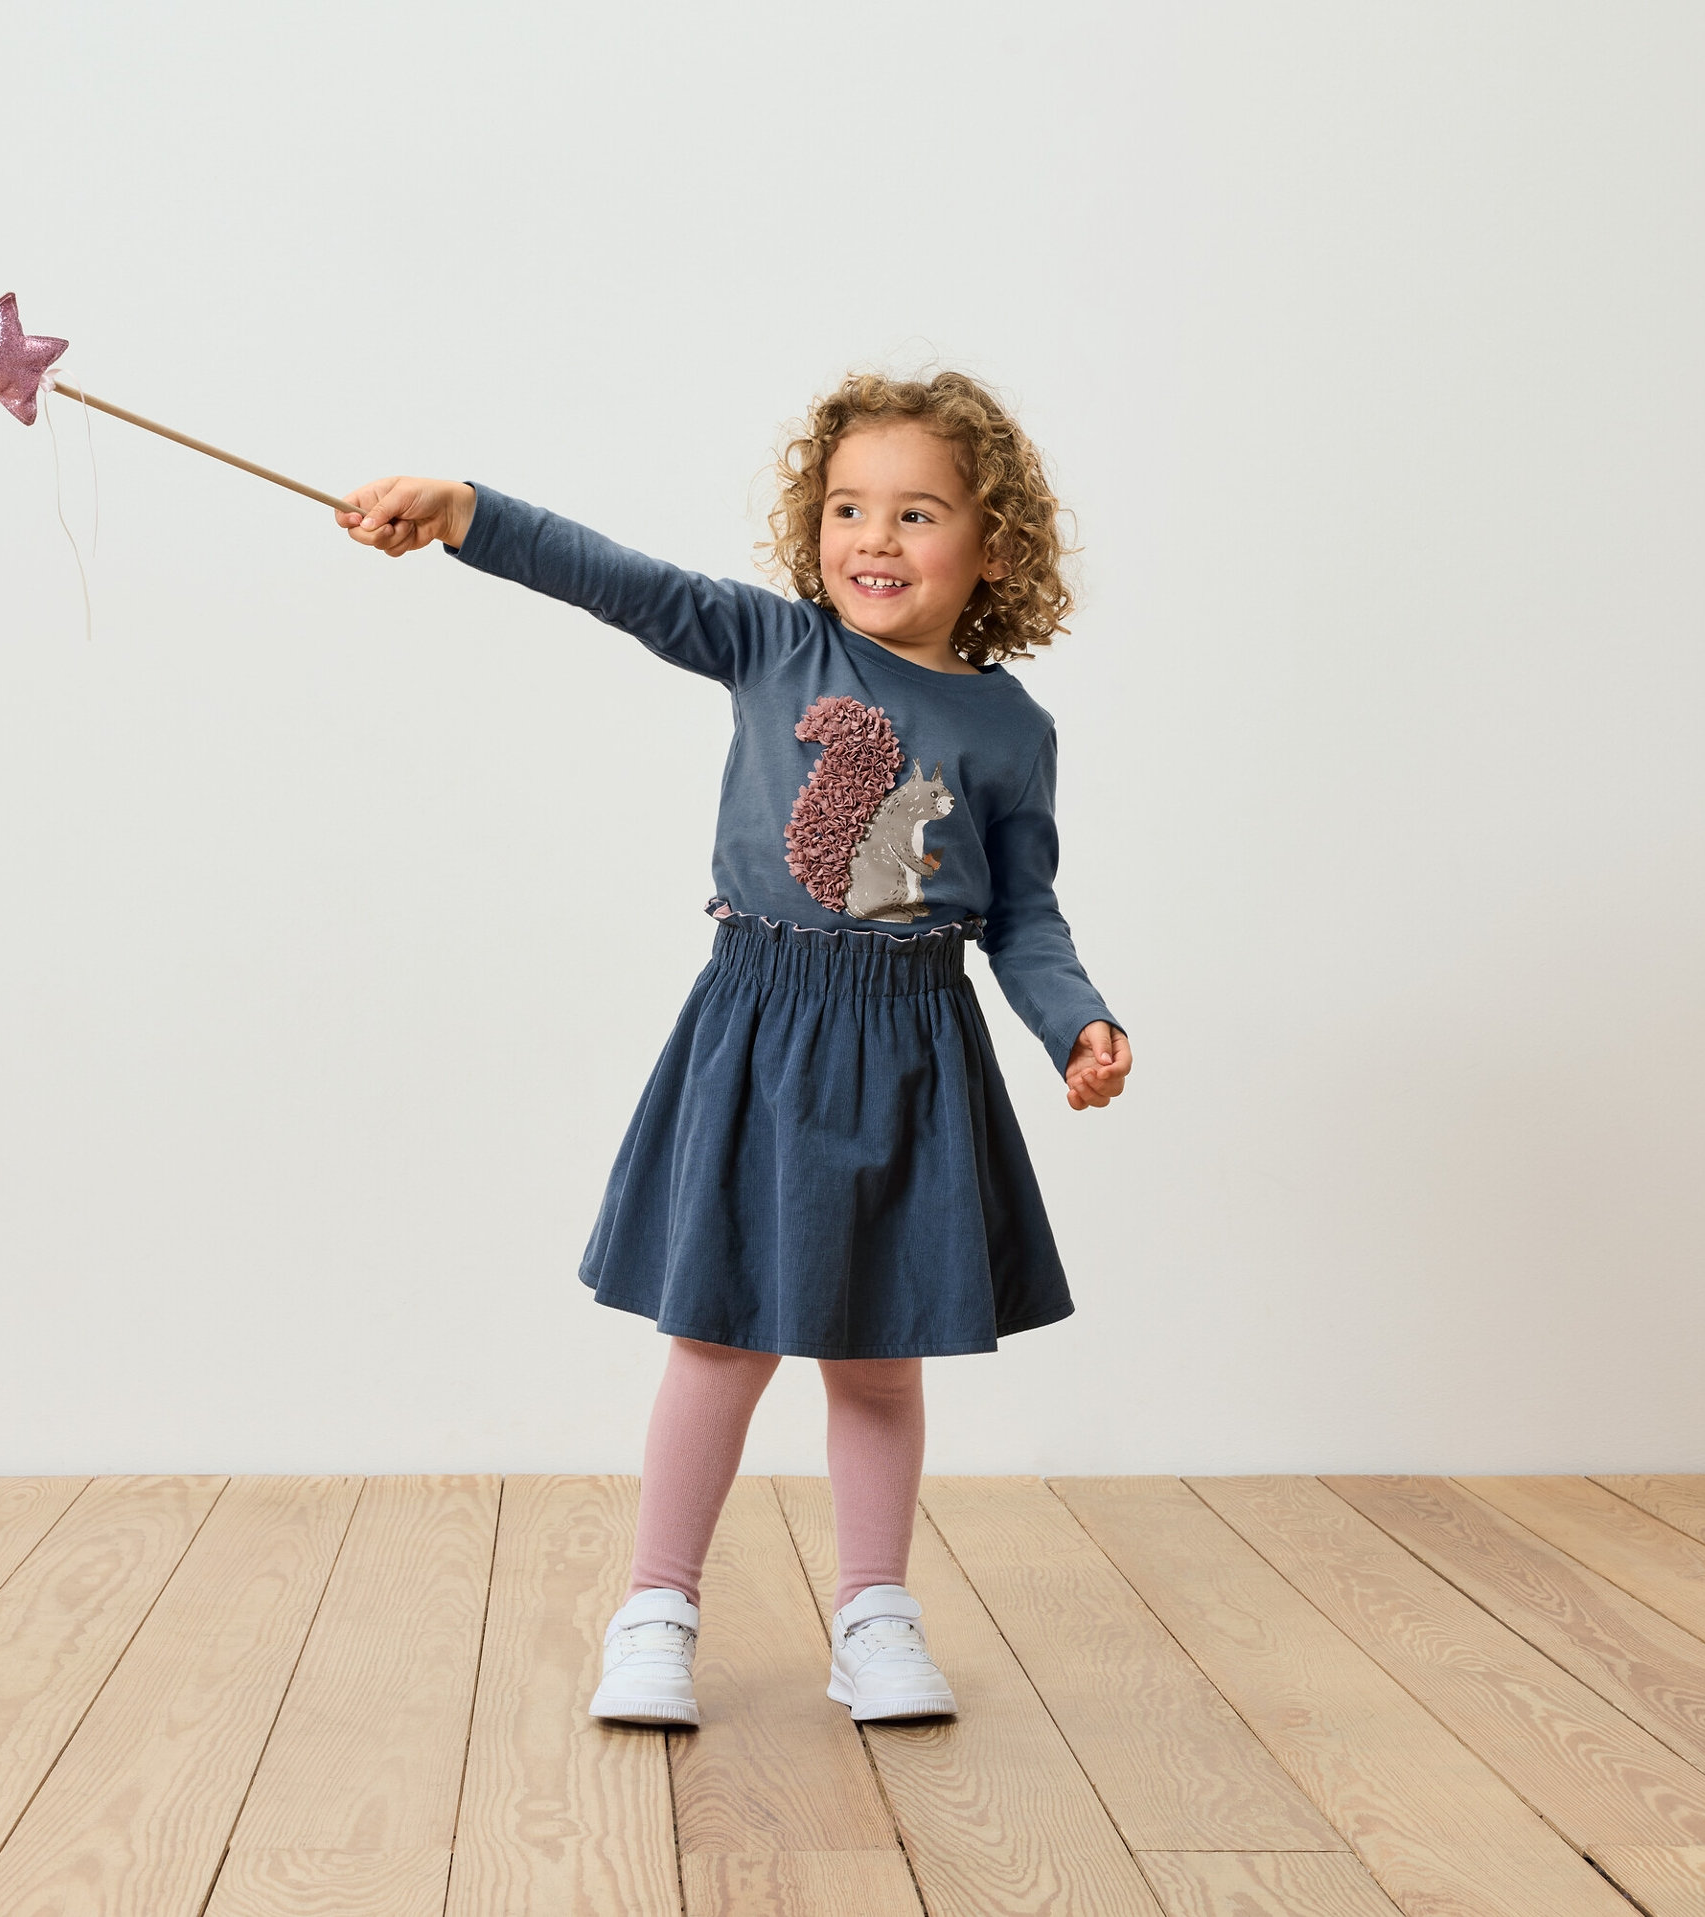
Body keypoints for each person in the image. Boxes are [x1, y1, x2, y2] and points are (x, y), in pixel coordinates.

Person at [338, 370, 1130, 1727]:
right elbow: (618, 579)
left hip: (910, 1048)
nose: (872, 538)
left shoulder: (1008, 730)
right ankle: (656, 1605)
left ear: (990, 547)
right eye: (847, 508)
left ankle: (874, 1612)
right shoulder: (770, 646)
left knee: (879, 1355)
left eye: (916, 512)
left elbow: (1024, 910)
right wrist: (466, 510)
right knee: (714, 1335)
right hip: (760, 1028)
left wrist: (1076, 1017)